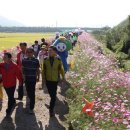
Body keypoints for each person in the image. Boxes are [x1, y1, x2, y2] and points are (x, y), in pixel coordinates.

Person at [42, 46, 65, 117]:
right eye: (48, 51)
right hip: (48, 79)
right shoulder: (45, 59)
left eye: (51, 51)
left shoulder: (58, 59)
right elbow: (43, 70)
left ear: (55, 52)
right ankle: (52, 102)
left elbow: (61, 69)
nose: (49, 52)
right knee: (50, 93)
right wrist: (43, 79)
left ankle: (51, 110)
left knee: (53, 96)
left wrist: (63, 77)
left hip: (55, 80)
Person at [22, 48, 40, 114]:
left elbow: (38, 69)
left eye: (30, 52)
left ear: (33, 53)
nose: (29, 53)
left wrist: (38, 77)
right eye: (27, 52)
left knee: (32, 93)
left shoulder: (36, 60)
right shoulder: (24, 60)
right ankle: (30, 102)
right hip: (26, 79)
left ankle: (31, 107)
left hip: (33, 79)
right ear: (26, 53)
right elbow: (23, 70)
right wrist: (23, 77)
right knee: (28, 92)